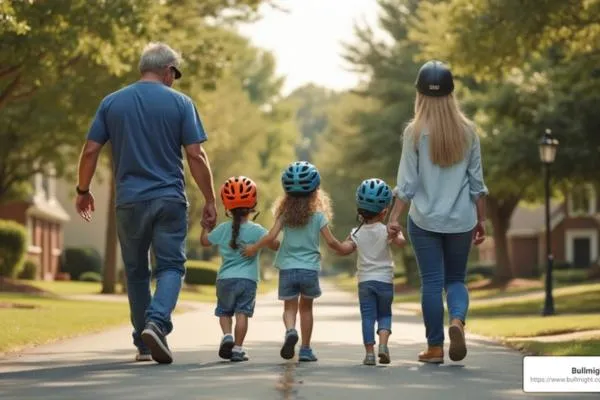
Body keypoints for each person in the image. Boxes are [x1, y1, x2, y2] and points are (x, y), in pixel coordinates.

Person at [75, 42, 217, 364]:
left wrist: (83, 189)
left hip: (129, 202)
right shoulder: (181, 103)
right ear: (168, 71)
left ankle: (143, 342)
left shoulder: (111, 103)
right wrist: (210, 199)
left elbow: (90, 151)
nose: (175, 79)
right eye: (175, 74)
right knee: (170, 267)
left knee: (137, 272)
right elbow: (195, 154)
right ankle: (157, 323)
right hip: (168, 199)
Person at [387, 60, 488, 364]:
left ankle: (434, 348)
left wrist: (393, 218)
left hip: (425, 220)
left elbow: (406, 184)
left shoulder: (414, 133)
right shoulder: (468, 132)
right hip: (461, 219)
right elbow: (477, 184)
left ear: (419, 96)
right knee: (456, 279)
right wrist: (481, 220)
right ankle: (457, 320)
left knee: (431, 282)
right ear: (451, 95)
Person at [243, 161, 349, 362]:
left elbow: (270, 237)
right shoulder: (318, 217)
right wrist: (344, 248)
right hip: (309, 270)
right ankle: (306, 350)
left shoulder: (284, 215)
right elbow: (331, 242)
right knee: (306, 309)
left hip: (287, 268)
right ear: (315, 192)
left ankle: (291, 330)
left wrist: (253, 248)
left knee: (289, 308)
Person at [200, 176, 279, 362]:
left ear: (227, 206)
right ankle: (237, 348)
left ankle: (227, 335)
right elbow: (275, 245)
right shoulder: (257, 230)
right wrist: (259, 244)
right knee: (242, 314)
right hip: (248, 280)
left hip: (225, 279)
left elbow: (204, 242)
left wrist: (205, 227)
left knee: (224, 312)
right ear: (253, 204)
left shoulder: (222, 229)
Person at [337, 178, 406, 366]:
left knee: (368, 317)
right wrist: (397, 230)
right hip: (385, 282)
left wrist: (331, 241)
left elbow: (344, 249)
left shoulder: (355, 233)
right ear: (384, 212)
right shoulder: (386, 230)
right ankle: (383, 346)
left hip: (365, 283)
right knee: (385, 314)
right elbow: (401, 242)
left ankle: (369, 354)